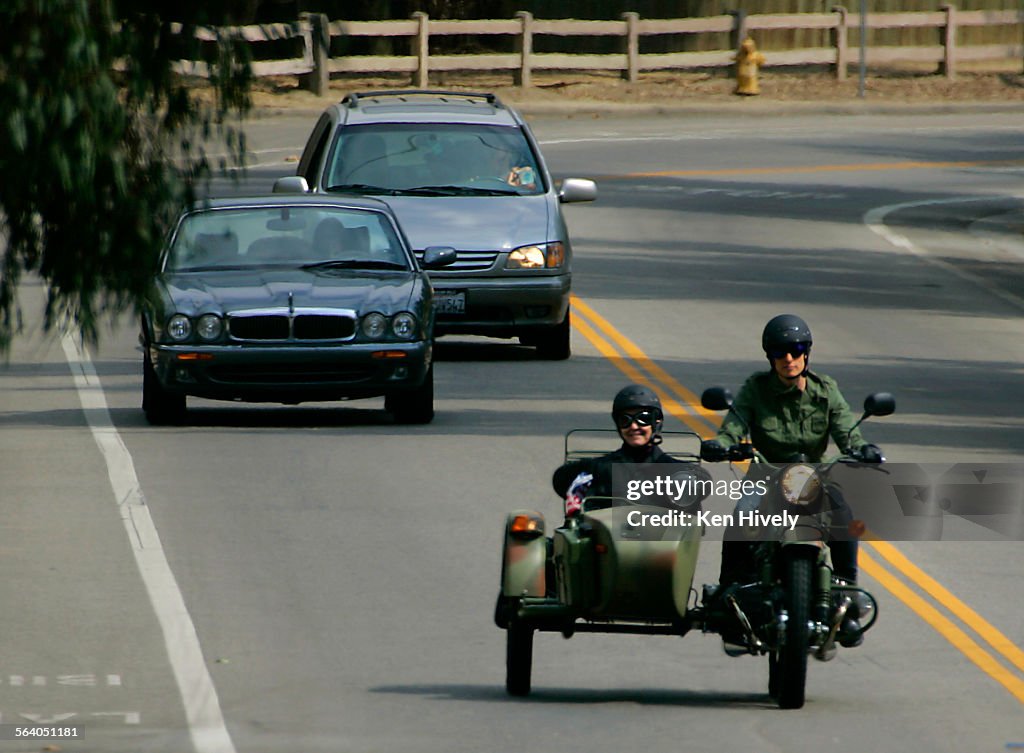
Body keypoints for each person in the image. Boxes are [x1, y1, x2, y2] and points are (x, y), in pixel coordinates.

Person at [700, 314, 884, 647]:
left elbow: (846, 431)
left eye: (796, 349)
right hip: (766, 475)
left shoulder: (825, 390)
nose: (789, 358)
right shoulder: (755, 389)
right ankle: (731, 599)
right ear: (769, 355)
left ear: (807, 352)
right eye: (780, 351)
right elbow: (733, 427)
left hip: (816, 475)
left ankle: (847, 595)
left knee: (845, 514)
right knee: (742, 516)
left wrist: (862, 449)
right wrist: (721, 445)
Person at [553, 384, 709, 516]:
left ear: (657, 422)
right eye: (625, 420)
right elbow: (562, 479)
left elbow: (703, 483)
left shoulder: (675, 469)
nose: (634, 427)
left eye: (643, 419)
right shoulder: (601, 467)